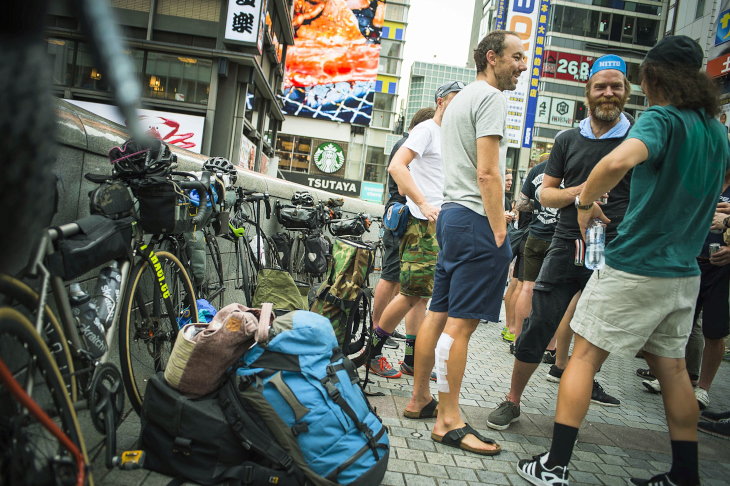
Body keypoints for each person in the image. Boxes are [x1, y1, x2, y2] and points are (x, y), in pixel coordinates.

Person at [516, 35, 728, 486]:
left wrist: (585, 200)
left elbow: (618, 162)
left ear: (652, 77)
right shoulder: (716, 131)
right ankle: (684, 476)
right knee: (673, 370)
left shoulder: (660, 120)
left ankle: (554, 466)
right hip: (684, 272)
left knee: (584, 358)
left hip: (635, 264)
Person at [487, 53, 634, 432]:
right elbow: (545, 195)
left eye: (615, 86)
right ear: (588, 93)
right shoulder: (568, 139)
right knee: (538, 324)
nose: (608, 93)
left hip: (614, 250)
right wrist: (583, 193)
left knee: (596, 331)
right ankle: (512, 400)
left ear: (626, 92)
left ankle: (572, 412)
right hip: (565, 243)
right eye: (600, 86)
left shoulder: (638, 140)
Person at [404, 30, 527, 455]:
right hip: (476, 220)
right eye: (516, 57)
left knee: (437, 315)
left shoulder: (458, 102)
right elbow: (488, 173)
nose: (522, 65)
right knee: (460, 328)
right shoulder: (491, 98)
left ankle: (421, 399)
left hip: (452, 217)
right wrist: (499, 231)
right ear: (492, 58)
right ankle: (448, 420)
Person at [367, 80, 463, 378]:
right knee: (409, 294)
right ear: (440, 102)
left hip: (440, 226)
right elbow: (397, 167)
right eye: (454, 101)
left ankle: (411, 360)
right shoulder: (426, 130)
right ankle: (370, 352)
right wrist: (423, 204)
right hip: (422, 225)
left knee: (420, 296)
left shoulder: (451, 137)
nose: (459, 107)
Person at [371, 107, 436, 369]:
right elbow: (401, 184)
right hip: (404, 219)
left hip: (412, 220)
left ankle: (405, 354)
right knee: (393, 279)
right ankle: (375, 342)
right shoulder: (411, 143)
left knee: (414, 291)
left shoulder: (412, 142)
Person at [691, 185, 730, 410]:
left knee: (714, 330)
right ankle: (672, 376)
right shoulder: (704, 179)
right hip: (691, 261)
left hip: (720, 268)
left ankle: (703, 388)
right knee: (679, 324)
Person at [512, 152, 557, 348]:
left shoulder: (536, 170)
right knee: (556, 293)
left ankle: (517, 340)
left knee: (527, 288)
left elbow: (521, 203)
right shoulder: (570, 168)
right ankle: (550, 347)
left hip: (535, 235)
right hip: (559, 238)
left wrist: (539, 206)